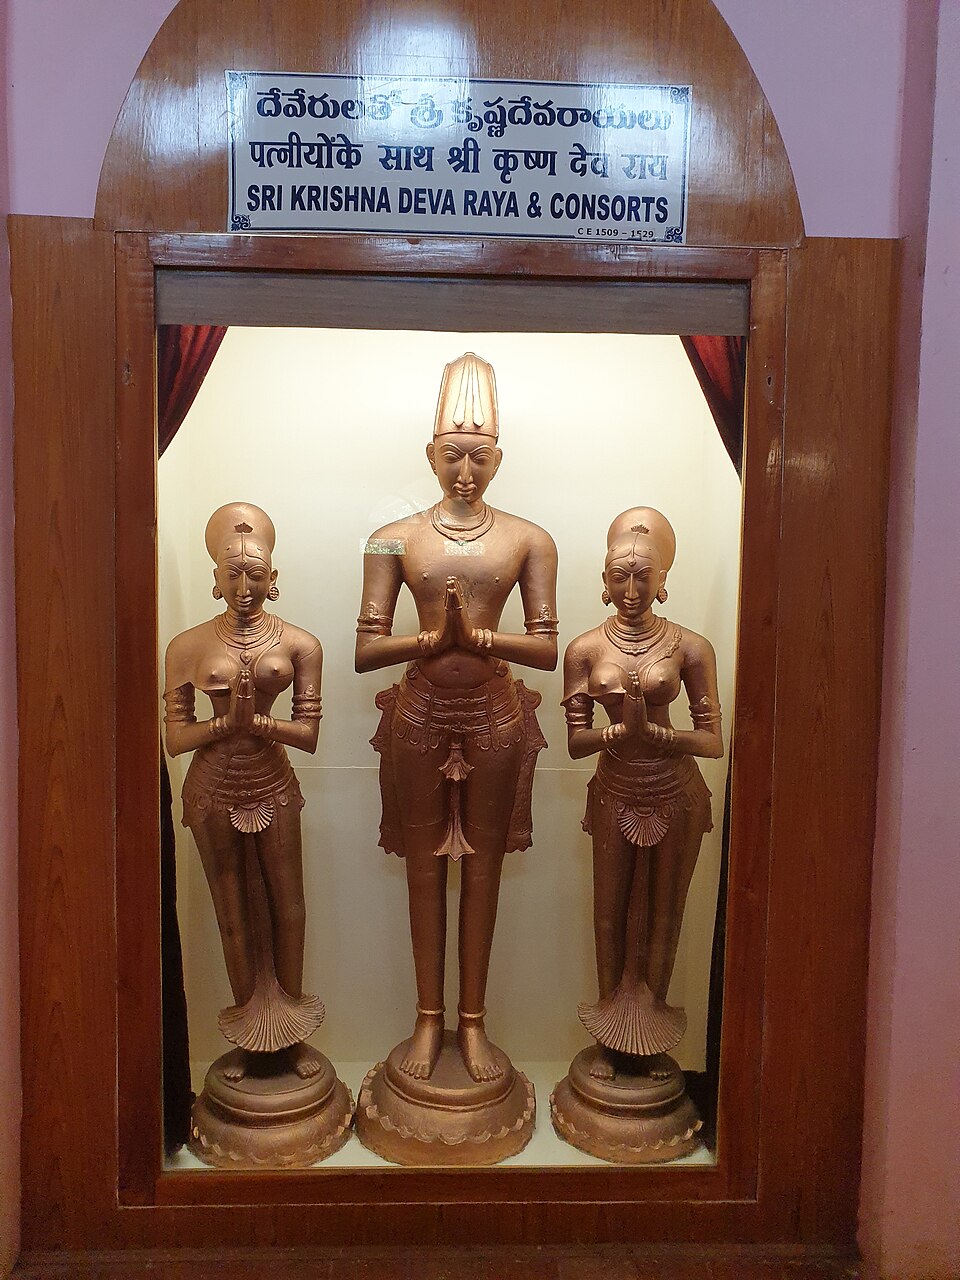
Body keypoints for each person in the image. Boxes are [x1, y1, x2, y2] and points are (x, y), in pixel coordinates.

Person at [356, 352, 558, 1084]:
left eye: (478, 458)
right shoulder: (391, 536)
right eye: (452, 457)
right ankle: (427, 1018)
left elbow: (544, 648)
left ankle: (472, 1023)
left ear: (498, 459)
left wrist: (478, 640)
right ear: (430, 456)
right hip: (418, 713)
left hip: (496, 714)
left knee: (482, 868)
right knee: (421, 869)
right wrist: (431, 642)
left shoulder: (530, 539)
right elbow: (365, 649)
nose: (465, 473)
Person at [163, 502, 325, 1081]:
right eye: (232, 573)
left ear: (274, 579)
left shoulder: (301, 645)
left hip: (273, 779)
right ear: (214, 580)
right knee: (231, 912)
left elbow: (306, 733)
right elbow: (177, 737)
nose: (244, 584)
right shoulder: (186, 646)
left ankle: (291, 1031)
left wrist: (256, 725)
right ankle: (250, 1042)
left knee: (289, 906)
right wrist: (224, 727)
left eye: (255, 573)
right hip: (212, 786)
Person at [561, 507, 723, 1080]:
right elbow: (577, 742)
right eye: (619, 576)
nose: (631, 589)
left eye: (643, 576)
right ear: (604, 583)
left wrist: (658, 733)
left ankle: (652, 1034)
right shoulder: (582, 649)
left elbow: (712, 740)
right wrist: (616, 733)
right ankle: (610, 1034)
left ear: (662, 581)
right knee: (609, 910)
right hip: (614, 788)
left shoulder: (690, 647)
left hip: (674, 790)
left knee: (663, 911)